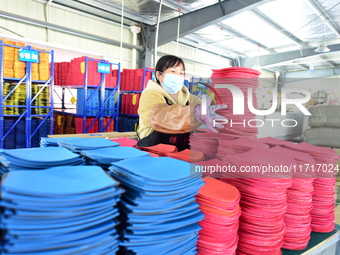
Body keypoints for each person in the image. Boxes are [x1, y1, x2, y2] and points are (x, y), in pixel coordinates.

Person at [136, 55, 226, 151]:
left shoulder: (187, 96)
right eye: (173, 71)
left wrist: (219, 108)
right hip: (153, 146)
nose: (178, 76)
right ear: (159, 75)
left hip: (179, 147)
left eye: (181, 73)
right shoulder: (150, 94)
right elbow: (159, 117)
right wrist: (195, 113)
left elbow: (205, 106)